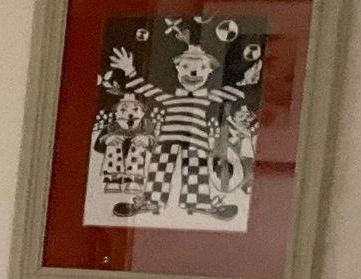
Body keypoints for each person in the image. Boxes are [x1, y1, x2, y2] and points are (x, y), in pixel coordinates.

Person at [107, 39, 258, 219]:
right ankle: (152, 200)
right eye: (186, 66)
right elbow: (146, 89)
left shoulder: (207, 97)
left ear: (209, 71)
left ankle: (197, 201)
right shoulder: (170, 97)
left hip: (196, 139)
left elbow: (230, 93)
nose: (193, 73)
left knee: (197, 168)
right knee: (160, 167)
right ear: (178, 69)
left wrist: (246, 81)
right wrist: (129, 70)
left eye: (201, 67)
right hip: (168, 138)